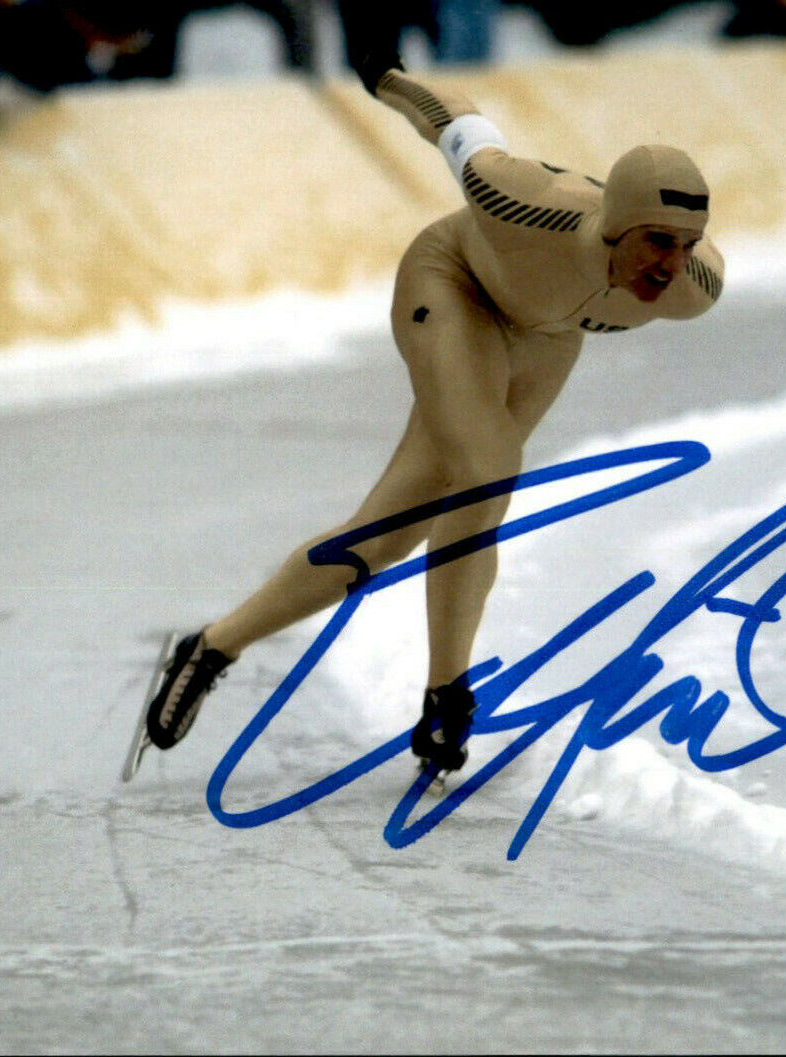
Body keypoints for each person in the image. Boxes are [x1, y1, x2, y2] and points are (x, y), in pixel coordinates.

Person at [140, 45, 725, 776]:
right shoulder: (518, 200)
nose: (670, 263)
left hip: (545, 339)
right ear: (615, 224)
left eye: (687, 244)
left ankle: (215, 644)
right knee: (486, 473)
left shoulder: (693, 288)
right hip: (452, 285)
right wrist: (382, 70)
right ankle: (448, 694)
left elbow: (667, 270)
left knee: (386, 535)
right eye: (658, 241)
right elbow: (457, 122)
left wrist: (672, 257)